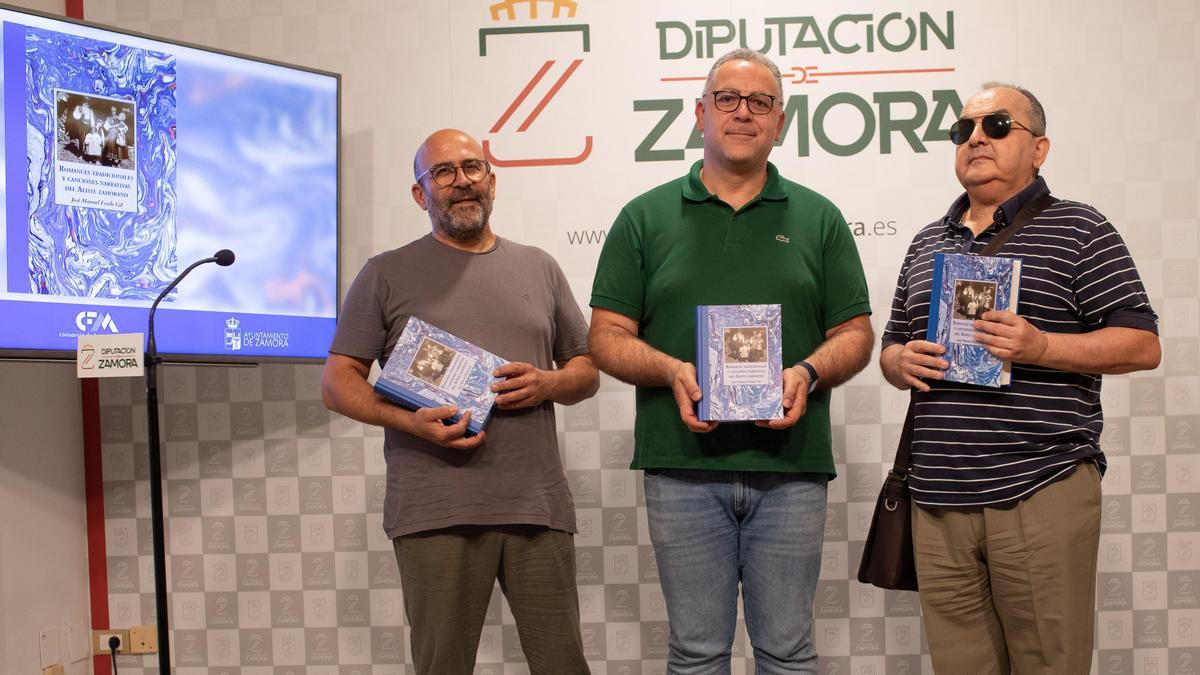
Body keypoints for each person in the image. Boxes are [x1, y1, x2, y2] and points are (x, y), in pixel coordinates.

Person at [588, 48, 873, 672]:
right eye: (727, 99)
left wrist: (807, 372)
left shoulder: (820, 217)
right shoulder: (643, 217)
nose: (743, 113)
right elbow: (605, 337)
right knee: (695, 653)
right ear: (699, 114)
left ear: (780, 122)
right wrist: (671, 370)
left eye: (760, 102)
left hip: (791, 468)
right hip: (681, 468)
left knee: (789, 651)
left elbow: (856, 333)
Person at [880, 82, 1160, 674]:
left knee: (1048, 666)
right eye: (964, 130)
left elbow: (1142, 344)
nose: (976, 137)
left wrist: (1041, 345)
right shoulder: (928, 240)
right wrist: (900, 364)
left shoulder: (1081, 228)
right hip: (938, 496)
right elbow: (890, 347)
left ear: (1040, 148)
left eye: (998, 125)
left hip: (1041, 484)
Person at [321, 129, 597, 675]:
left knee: (564, 665)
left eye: (472, 168)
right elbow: (337, 382)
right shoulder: (384, 273)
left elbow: (585, 371)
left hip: (535, 507)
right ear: (421, 194)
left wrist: (547, 383)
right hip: (434, 511)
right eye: (443, 173)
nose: (461, 182)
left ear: (491, 181)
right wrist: (408, 421)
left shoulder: (540, 266)